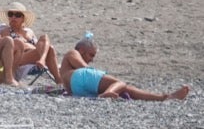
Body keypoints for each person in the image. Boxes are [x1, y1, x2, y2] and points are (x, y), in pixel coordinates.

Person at [60, 36, 190, 101]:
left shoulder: (68, 66)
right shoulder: (73, 52)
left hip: (77, 89)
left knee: (125, 89)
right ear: (81, 50)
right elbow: (85, 68)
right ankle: (107, 94)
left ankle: (163, 97)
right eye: (91, 55)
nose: (92, 59)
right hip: (80, 78)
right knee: (120, 83)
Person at [0, 2, 62, 85]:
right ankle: (58, 79)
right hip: (19, 59)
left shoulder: (29, 32)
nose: (13, 17)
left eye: (17, 15)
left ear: (23, 18)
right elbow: (8, 50)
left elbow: (39, 45)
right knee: (49, 49)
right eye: (10, 14)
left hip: (34, 56)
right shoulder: (6, 31)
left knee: (46, 40)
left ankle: (43, 60)